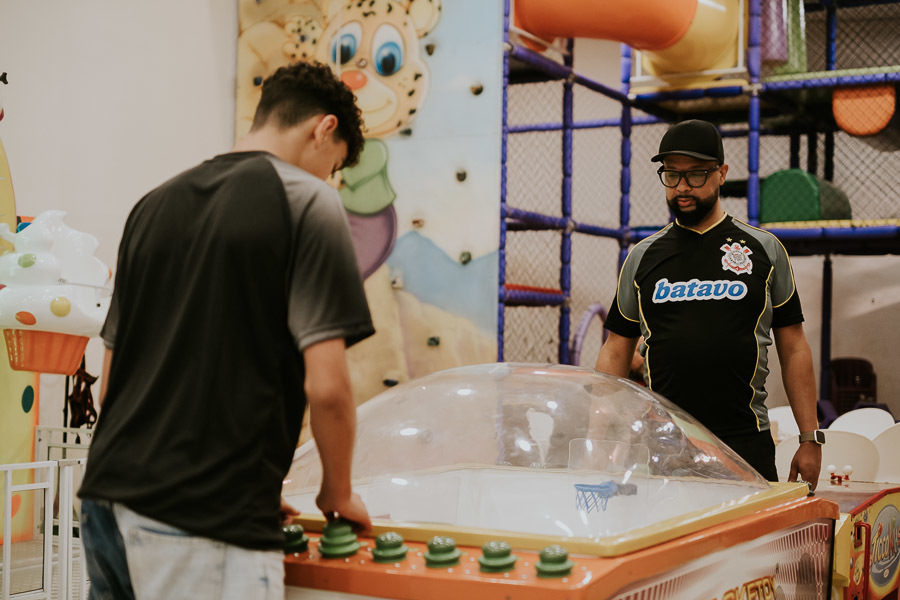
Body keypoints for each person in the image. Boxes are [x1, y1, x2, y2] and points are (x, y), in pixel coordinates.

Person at [78, 60, 375, 600]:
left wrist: (253, 481)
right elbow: (327, 387)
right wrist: (339, 491)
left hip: (105, 500)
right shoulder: (308, 202)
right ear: (323, 128)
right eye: (331, 168)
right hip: (201, 515)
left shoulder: (152, 205)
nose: (326, 180)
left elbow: (112, 379)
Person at [595, 119, 823, 489]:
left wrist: (810, 438)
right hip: (667, 444)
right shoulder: (642, 257)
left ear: (722, 174)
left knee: (752, 546)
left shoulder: (764, 250)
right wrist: (598, 439)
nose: (682, 187)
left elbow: (794, 346)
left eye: (696, 175)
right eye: (672, 175)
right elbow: (615, 350)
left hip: (745, 441)